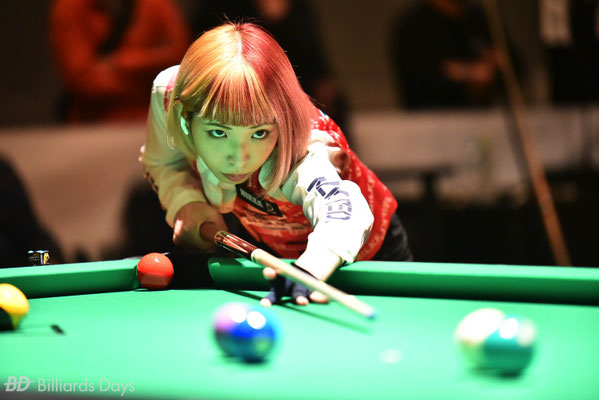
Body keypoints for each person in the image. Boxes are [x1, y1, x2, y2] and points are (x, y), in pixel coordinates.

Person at [141, 22, 411, 306]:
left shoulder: (304, 145)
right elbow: (163, 163)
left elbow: (345, 210)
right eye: (218, 132)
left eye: (259, 133)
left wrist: (310, 269)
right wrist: (186, 202)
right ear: (185, 116)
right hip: (278, 257)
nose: (240, 158)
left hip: (366, 254)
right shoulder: (172, 95)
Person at [50, 0, 190, 122]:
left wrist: (121, 63)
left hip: (155, 119)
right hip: (93, 124)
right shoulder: (71, 7)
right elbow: (83, 81)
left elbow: (181, 59)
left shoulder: (154, 4)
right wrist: (148, 79)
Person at [391, 0, 504, 109]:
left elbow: (508, 66)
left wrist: (495, 65)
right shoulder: (413, 24)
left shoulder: (481, 18)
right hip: (432, 116)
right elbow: (419, 81)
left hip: (485, 114)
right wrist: (468, 75)